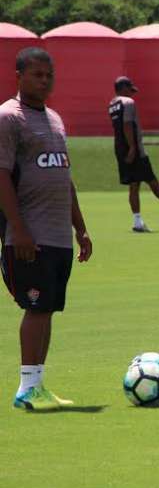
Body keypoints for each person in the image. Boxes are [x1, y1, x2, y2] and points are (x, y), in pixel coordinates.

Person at [0, 47, 92, 410]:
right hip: (28, 237)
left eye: (49, 75)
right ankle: (25, 387)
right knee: (36, 307)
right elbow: (2, 175)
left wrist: (80, 228)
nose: (44, 80)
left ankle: (38, 384)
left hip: (57, 235)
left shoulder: (54, 119)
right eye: (37, 74)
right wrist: (19, 229)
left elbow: (63, 178)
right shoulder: (9, 117)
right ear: (19, 75)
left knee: (48, 308)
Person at [107, 76, 159, 232]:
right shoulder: (128, 103)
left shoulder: (112, 105)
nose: (132, 94)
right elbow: (127, 125)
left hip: (119, 148)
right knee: (152, 181)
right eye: (130, 90)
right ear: (123, 88)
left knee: (134, 185)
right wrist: (132, 147)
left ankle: (137, 221)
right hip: (134, 149)